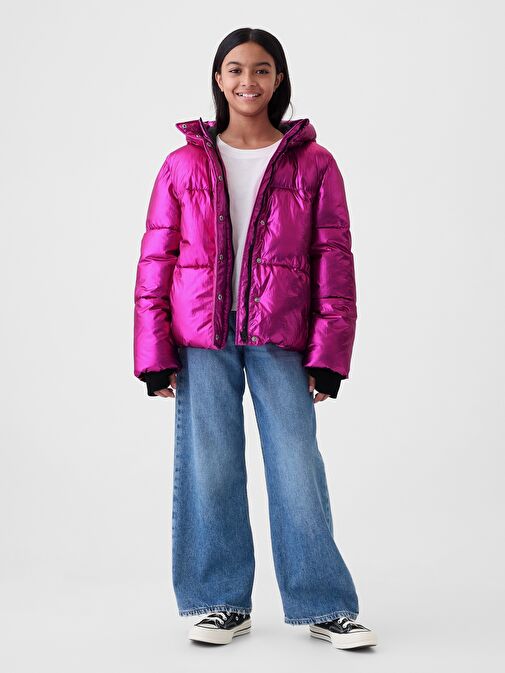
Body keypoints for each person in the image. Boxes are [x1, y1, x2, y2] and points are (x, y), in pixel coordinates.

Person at [133, 27, 377, 650]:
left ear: (279, 79)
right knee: (210, 468)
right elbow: (156, 260)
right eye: (236, 69)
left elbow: (333, 260)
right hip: (202, 338)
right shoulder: (183, 163)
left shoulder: (314, 163)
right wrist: (153, 352)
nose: (249, 81)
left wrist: (330, 356)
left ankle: (325, 605)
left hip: (281, 335)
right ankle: (219, 602)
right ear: (219, 79)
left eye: (262, 69)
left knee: (296, 466)